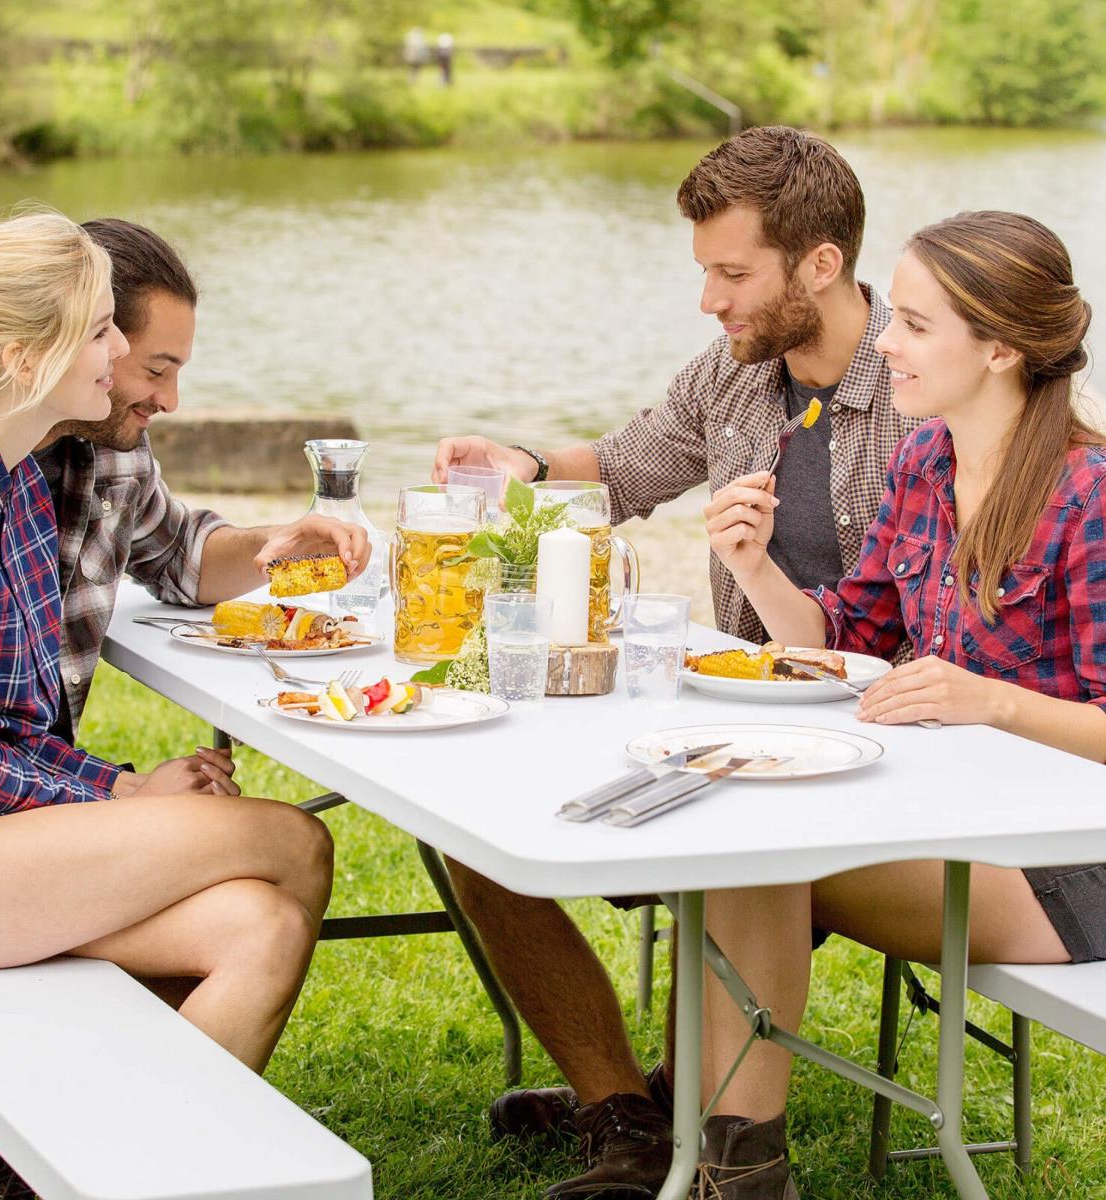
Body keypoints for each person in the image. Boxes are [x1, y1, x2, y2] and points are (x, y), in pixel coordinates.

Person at [429, 125, 914, 1197]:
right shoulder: (737, 375)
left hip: (883, 755)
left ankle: (718, 1144)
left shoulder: (922, 384)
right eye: (705, 272)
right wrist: (517, 458)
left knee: (747, 845)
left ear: (820, 263)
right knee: (471, 811)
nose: (711, 300)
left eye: (733, 273)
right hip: (740, 729)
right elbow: (618, 468)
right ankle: (630, 1112)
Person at [0, 213, 334, 1200]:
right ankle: (78, 1159)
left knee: (258, 928)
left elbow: (18, 730)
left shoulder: (6, 475)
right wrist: (129, 795)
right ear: (29, 356)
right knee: (293, 845)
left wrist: (121, 792)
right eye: (104, 330)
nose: (121, 355)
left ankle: (61, 1167)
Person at [696, 209, 1104, 1197]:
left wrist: (993, 703)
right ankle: (710, 1140)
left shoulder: (1090, 498)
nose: (885, 342)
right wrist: (751, 566)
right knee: (737, 833)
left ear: (1001, 347)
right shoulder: (925, 462)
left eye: (916, 325)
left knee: (755, 852)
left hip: (1072, 860)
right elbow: (845, 644)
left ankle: (729, 1167)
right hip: (957, 814)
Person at [34, 217, 370, 750]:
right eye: (155, 369)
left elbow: (179, 558)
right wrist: (122, 791)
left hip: (39, 774)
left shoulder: (114, 450)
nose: (171, 402)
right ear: (88, 340)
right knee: (287, 835)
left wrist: (278, 542)